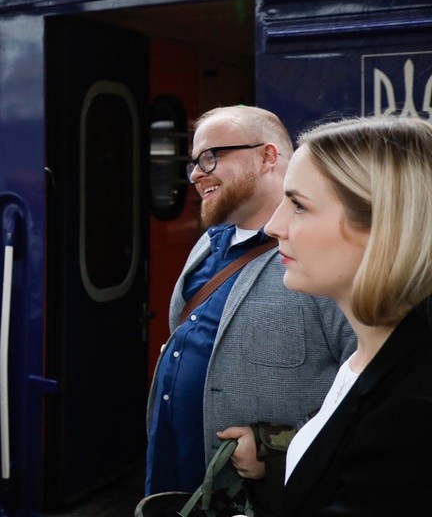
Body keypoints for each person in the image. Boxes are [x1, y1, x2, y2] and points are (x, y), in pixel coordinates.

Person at [145, 106, 353, 511]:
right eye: (193, 162)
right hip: (174, 479)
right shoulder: (207, 243)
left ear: (267, 157)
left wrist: (277, 448)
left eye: (211, 156)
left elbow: (370, 389)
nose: (195, 174)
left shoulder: (324, 257)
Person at [266, 117, 432, 515]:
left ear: (385, 226)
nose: (274, 226)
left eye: (299, 206)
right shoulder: (375, 354)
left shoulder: (414, 411)